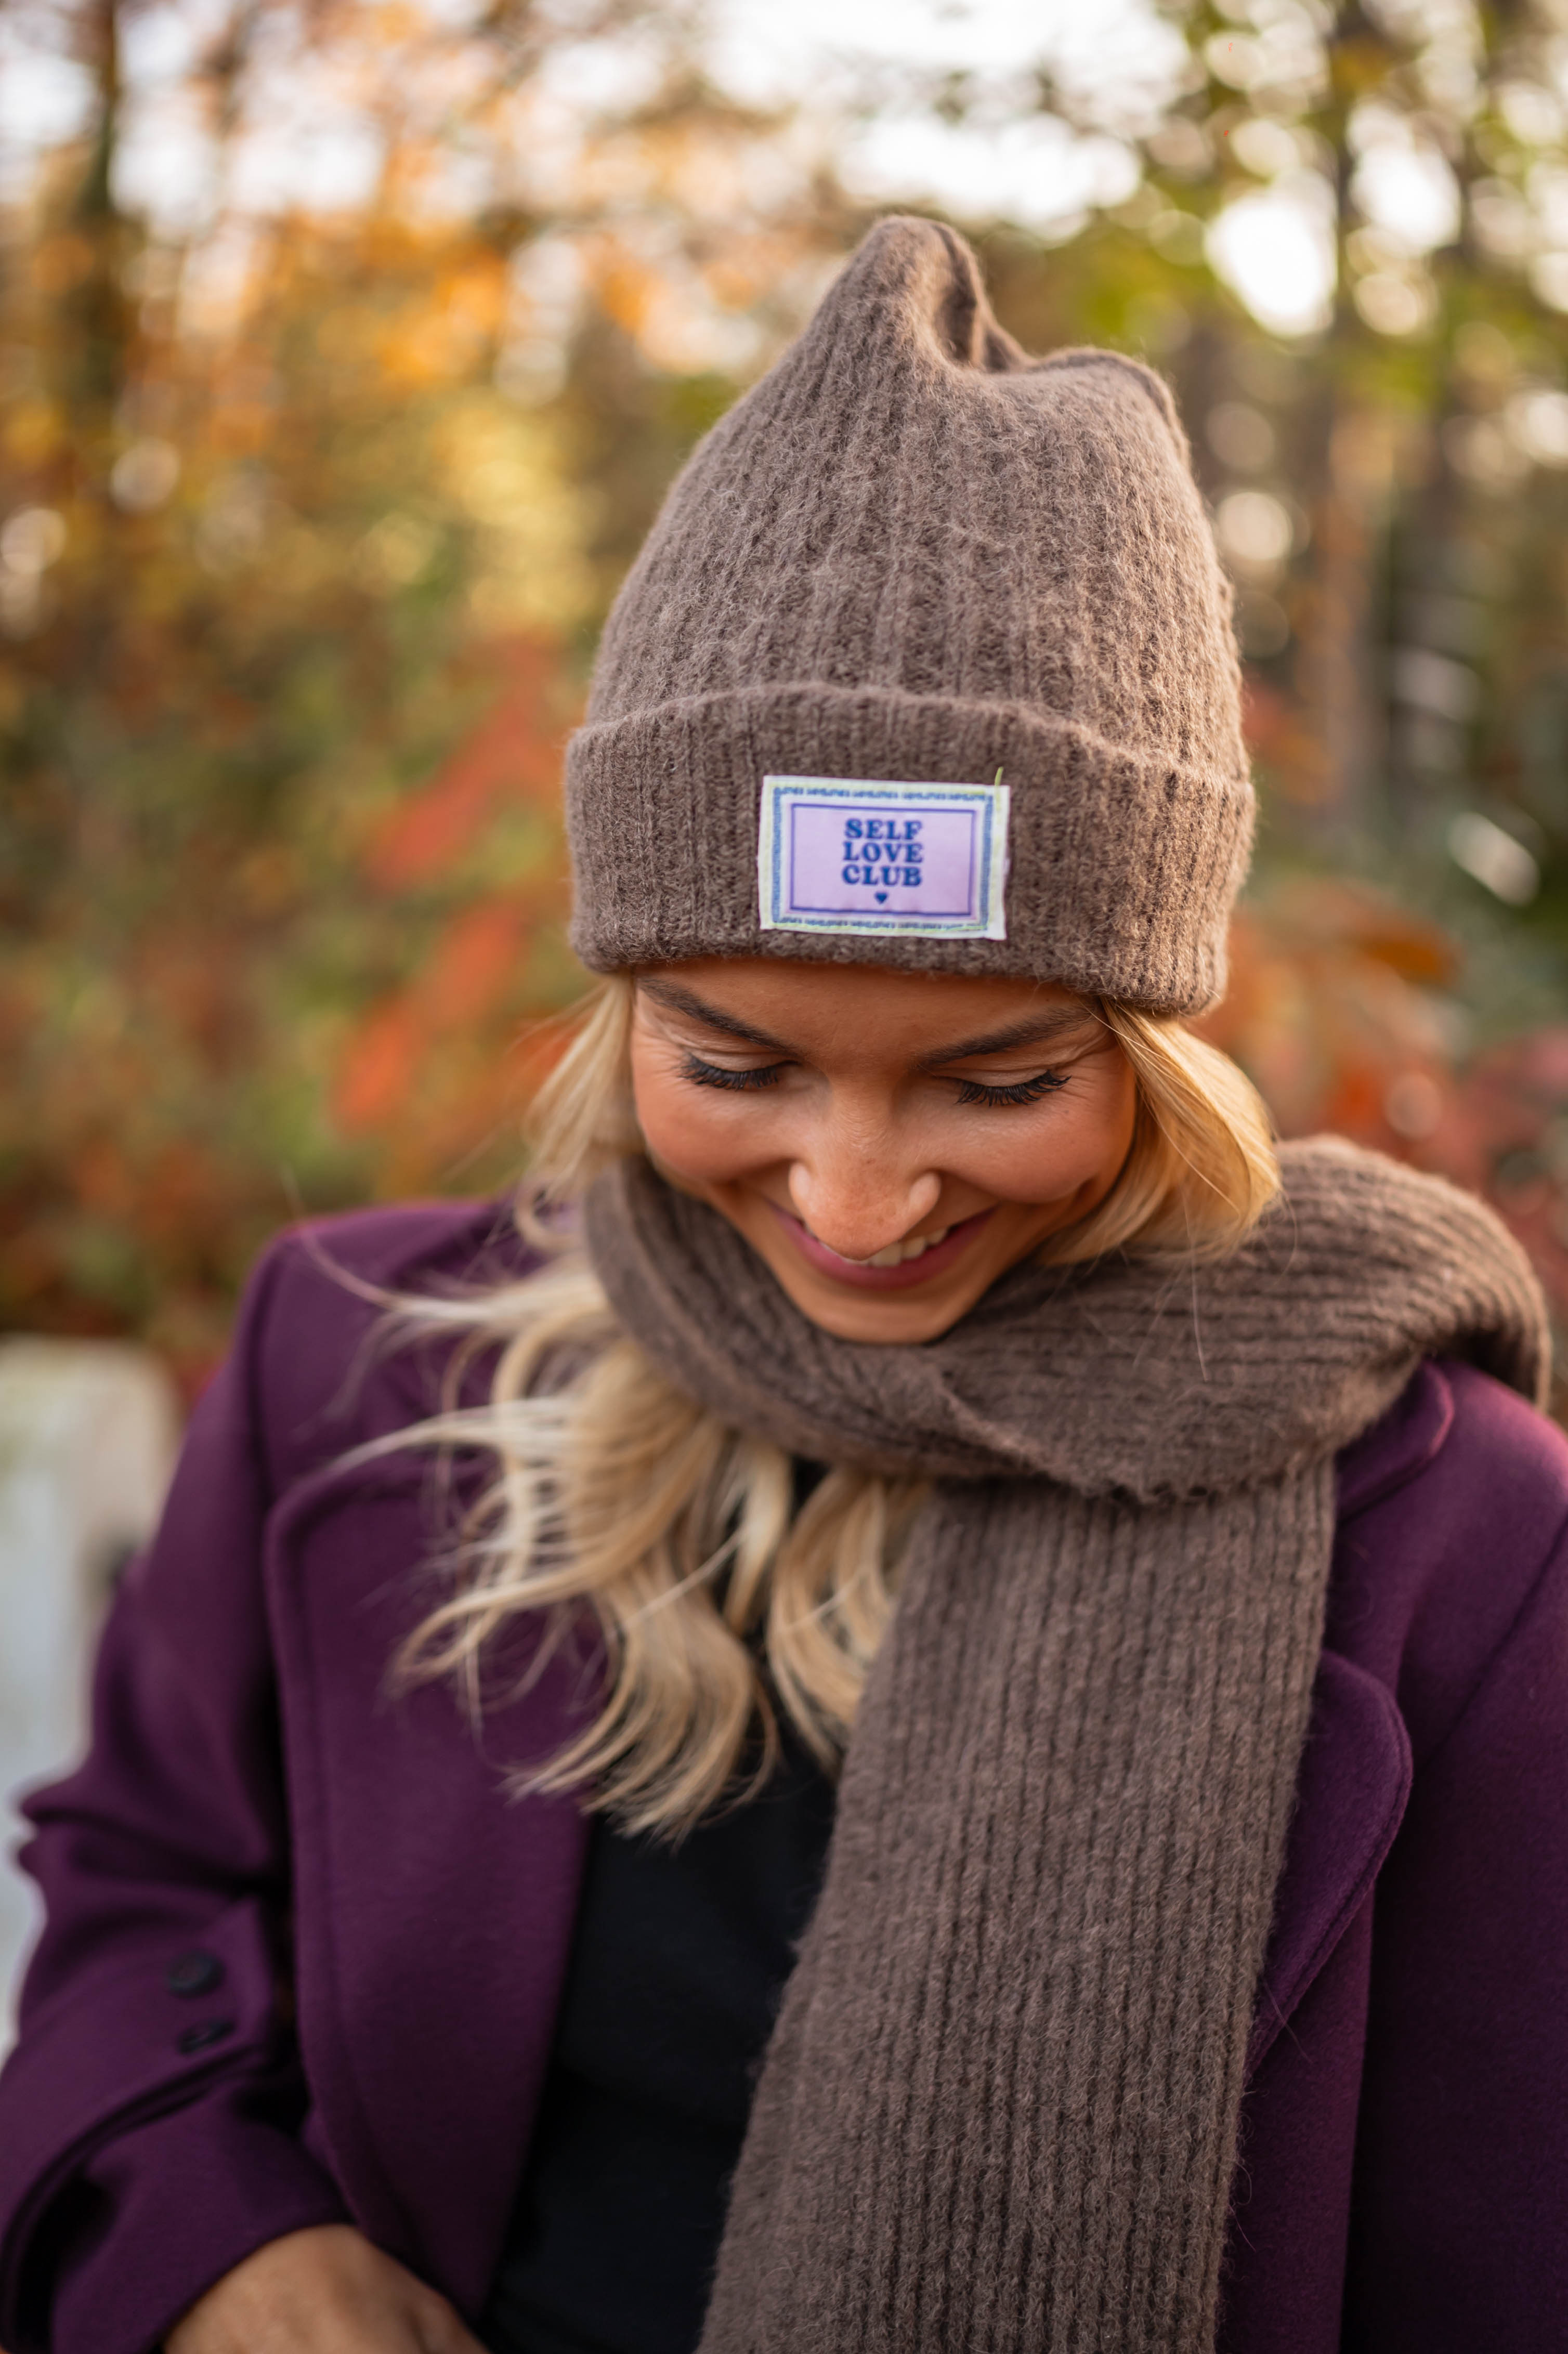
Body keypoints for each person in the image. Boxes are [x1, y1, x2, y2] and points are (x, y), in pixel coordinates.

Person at [1, 216, 1565, 2354]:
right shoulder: (355, 1365)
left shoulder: (1448, 1534)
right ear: (617, 1006)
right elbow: (142, 1893)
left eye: (997, 1078)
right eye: (733, 1063)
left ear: (1153, 1047)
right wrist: (215, 2236)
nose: (854, 1190)